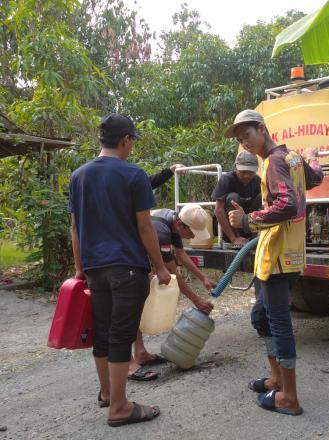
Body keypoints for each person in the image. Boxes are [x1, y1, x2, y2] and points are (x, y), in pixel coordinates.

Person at [69, 113, 171, 427]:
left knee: (103, 333)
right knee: (120, 336)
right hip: (127, 268)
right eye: (131, 142)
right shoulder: (133, 175)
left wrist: (79, 267)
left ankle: (106, 394)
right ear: (125, 140)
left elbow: (75, 226)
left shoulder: (79, 176)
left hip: (96, 269)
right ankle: (120, 407)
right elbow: (145, 227)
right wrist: (161, 266)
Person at [226, 109, 323, 416]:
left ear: (263, 129)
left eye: (248, 136)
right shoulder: (292, 158)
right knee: (261, 317)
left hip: (278, 256)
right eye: (241, 140)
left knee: (278, 324)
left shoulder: (273, 162)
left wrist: (247, 219)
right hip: (288, 255)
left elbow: (287, 204)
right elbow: (316, 177)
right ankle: (277, 380)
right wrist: (313, 156)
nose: (245, 144)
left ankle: (289, 397)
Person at [128, 203, 216, 380]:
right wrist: (197, 300)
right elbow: (172, 274)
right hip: (127, 264)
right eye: (191, 232)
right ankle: (129, 364)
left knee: (139, 308)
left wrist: (203, 277)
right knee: (130, 311)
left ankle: (140, 353)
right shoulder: (161, 231)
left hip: (139, 264)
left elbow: (182, 255)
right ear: (180, 225)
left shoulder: (172, 219)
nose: (192, 237)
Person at [212, 151, 261, 248]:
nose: (247, 175)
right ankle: (236, 238)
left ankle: (253, 238)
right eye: (243, 172)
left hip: (248, 225)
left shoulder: (257, 181)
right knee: (232, 197)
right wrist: (233, 238)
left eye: (250, 172)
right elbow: (218, 210)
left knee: (262, 198)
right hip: (230, 230)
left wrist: (253, 237)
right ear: (236, 168)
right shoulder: (226, 179)